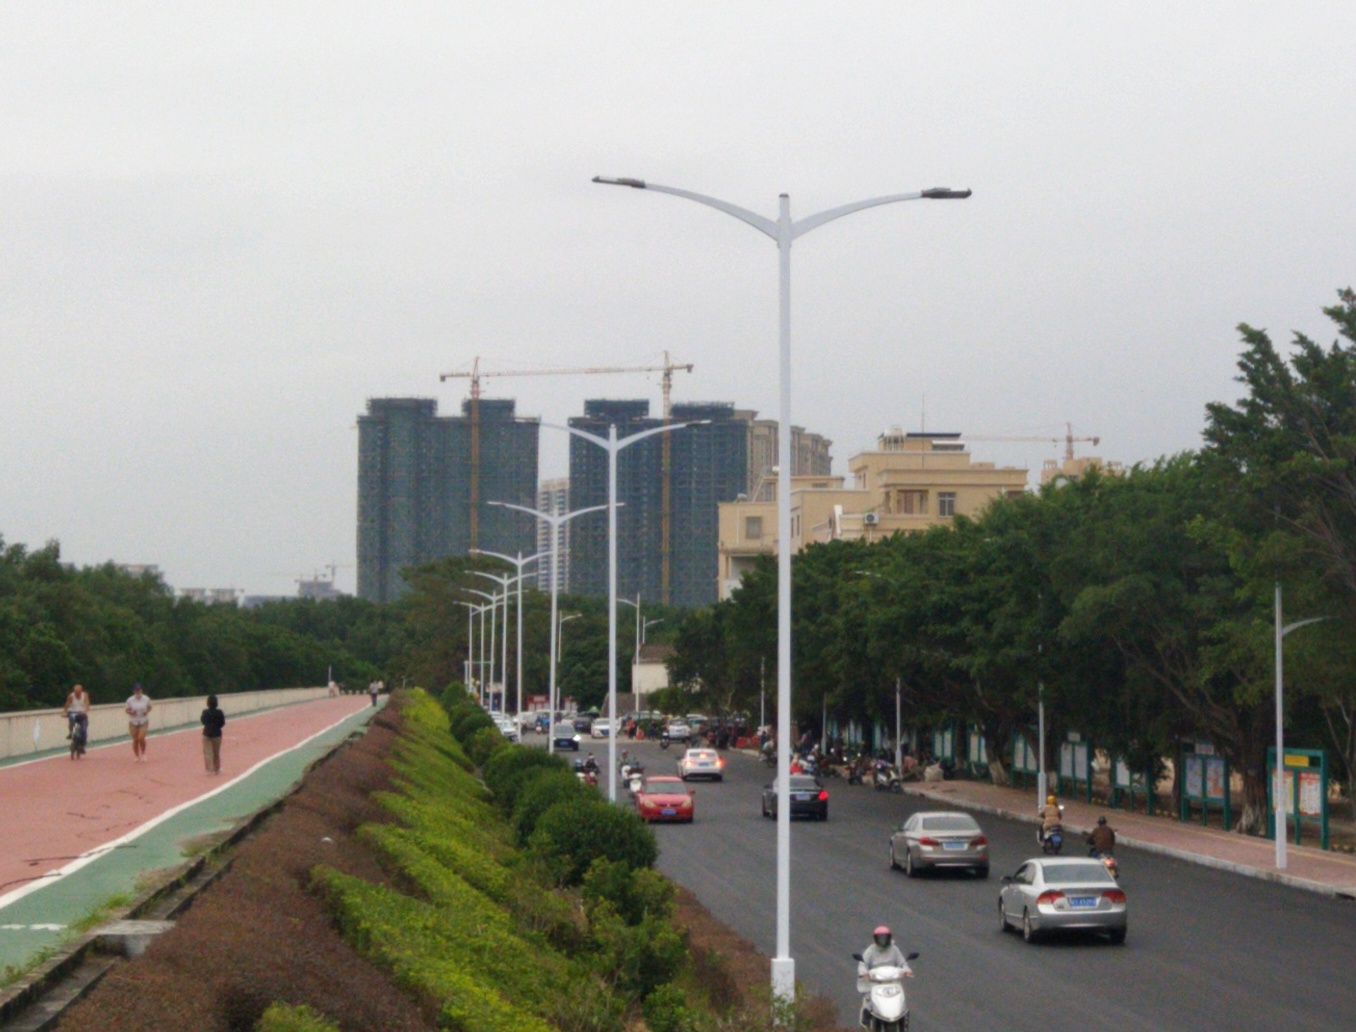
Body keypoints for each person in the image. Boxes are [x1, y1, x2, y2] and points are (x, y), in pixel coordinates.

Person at [859, 925, 912, 1021]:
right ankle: (868, 1014)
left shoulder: (894, 949)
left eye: (884, 938)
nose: (882, 940)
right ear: (875, 939)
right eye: (880, 938)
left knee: (901, 997)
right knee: (868, 996)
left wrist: (906, 969)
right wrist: (863, 972)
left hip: (892, 981)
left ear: (889, 938)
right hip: (875, 982)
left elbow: (902, 963)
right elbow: (863, 964)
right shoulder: (870, 951)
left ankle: (902, 1014)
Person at [125, 683, 152, 761]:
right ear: (134, 691)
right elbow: (126, 710)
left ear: (141, 690)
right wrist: (131, 712)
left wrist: (146, 711)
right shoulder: (130, 700)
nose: (138, 692)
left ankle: (143, 753)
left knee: (141, 737)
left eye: (139, 690)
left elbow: (150, 707)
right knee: (135, 739)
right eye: (136, 690)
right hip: (133, 721)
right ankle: (136, 755)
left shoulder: (146, 699)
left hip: (143, 720)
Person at [201, 694, 226, 774]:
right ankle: (217, 768)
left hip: (207, 733)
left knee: (208, 752)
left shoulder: (205, 712)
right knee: (216, 752)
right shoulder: (219, 712)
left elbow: (203, 721)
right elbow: (222, 723)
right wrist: (217, 727)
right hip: (217, 734)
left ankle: (209, 769)